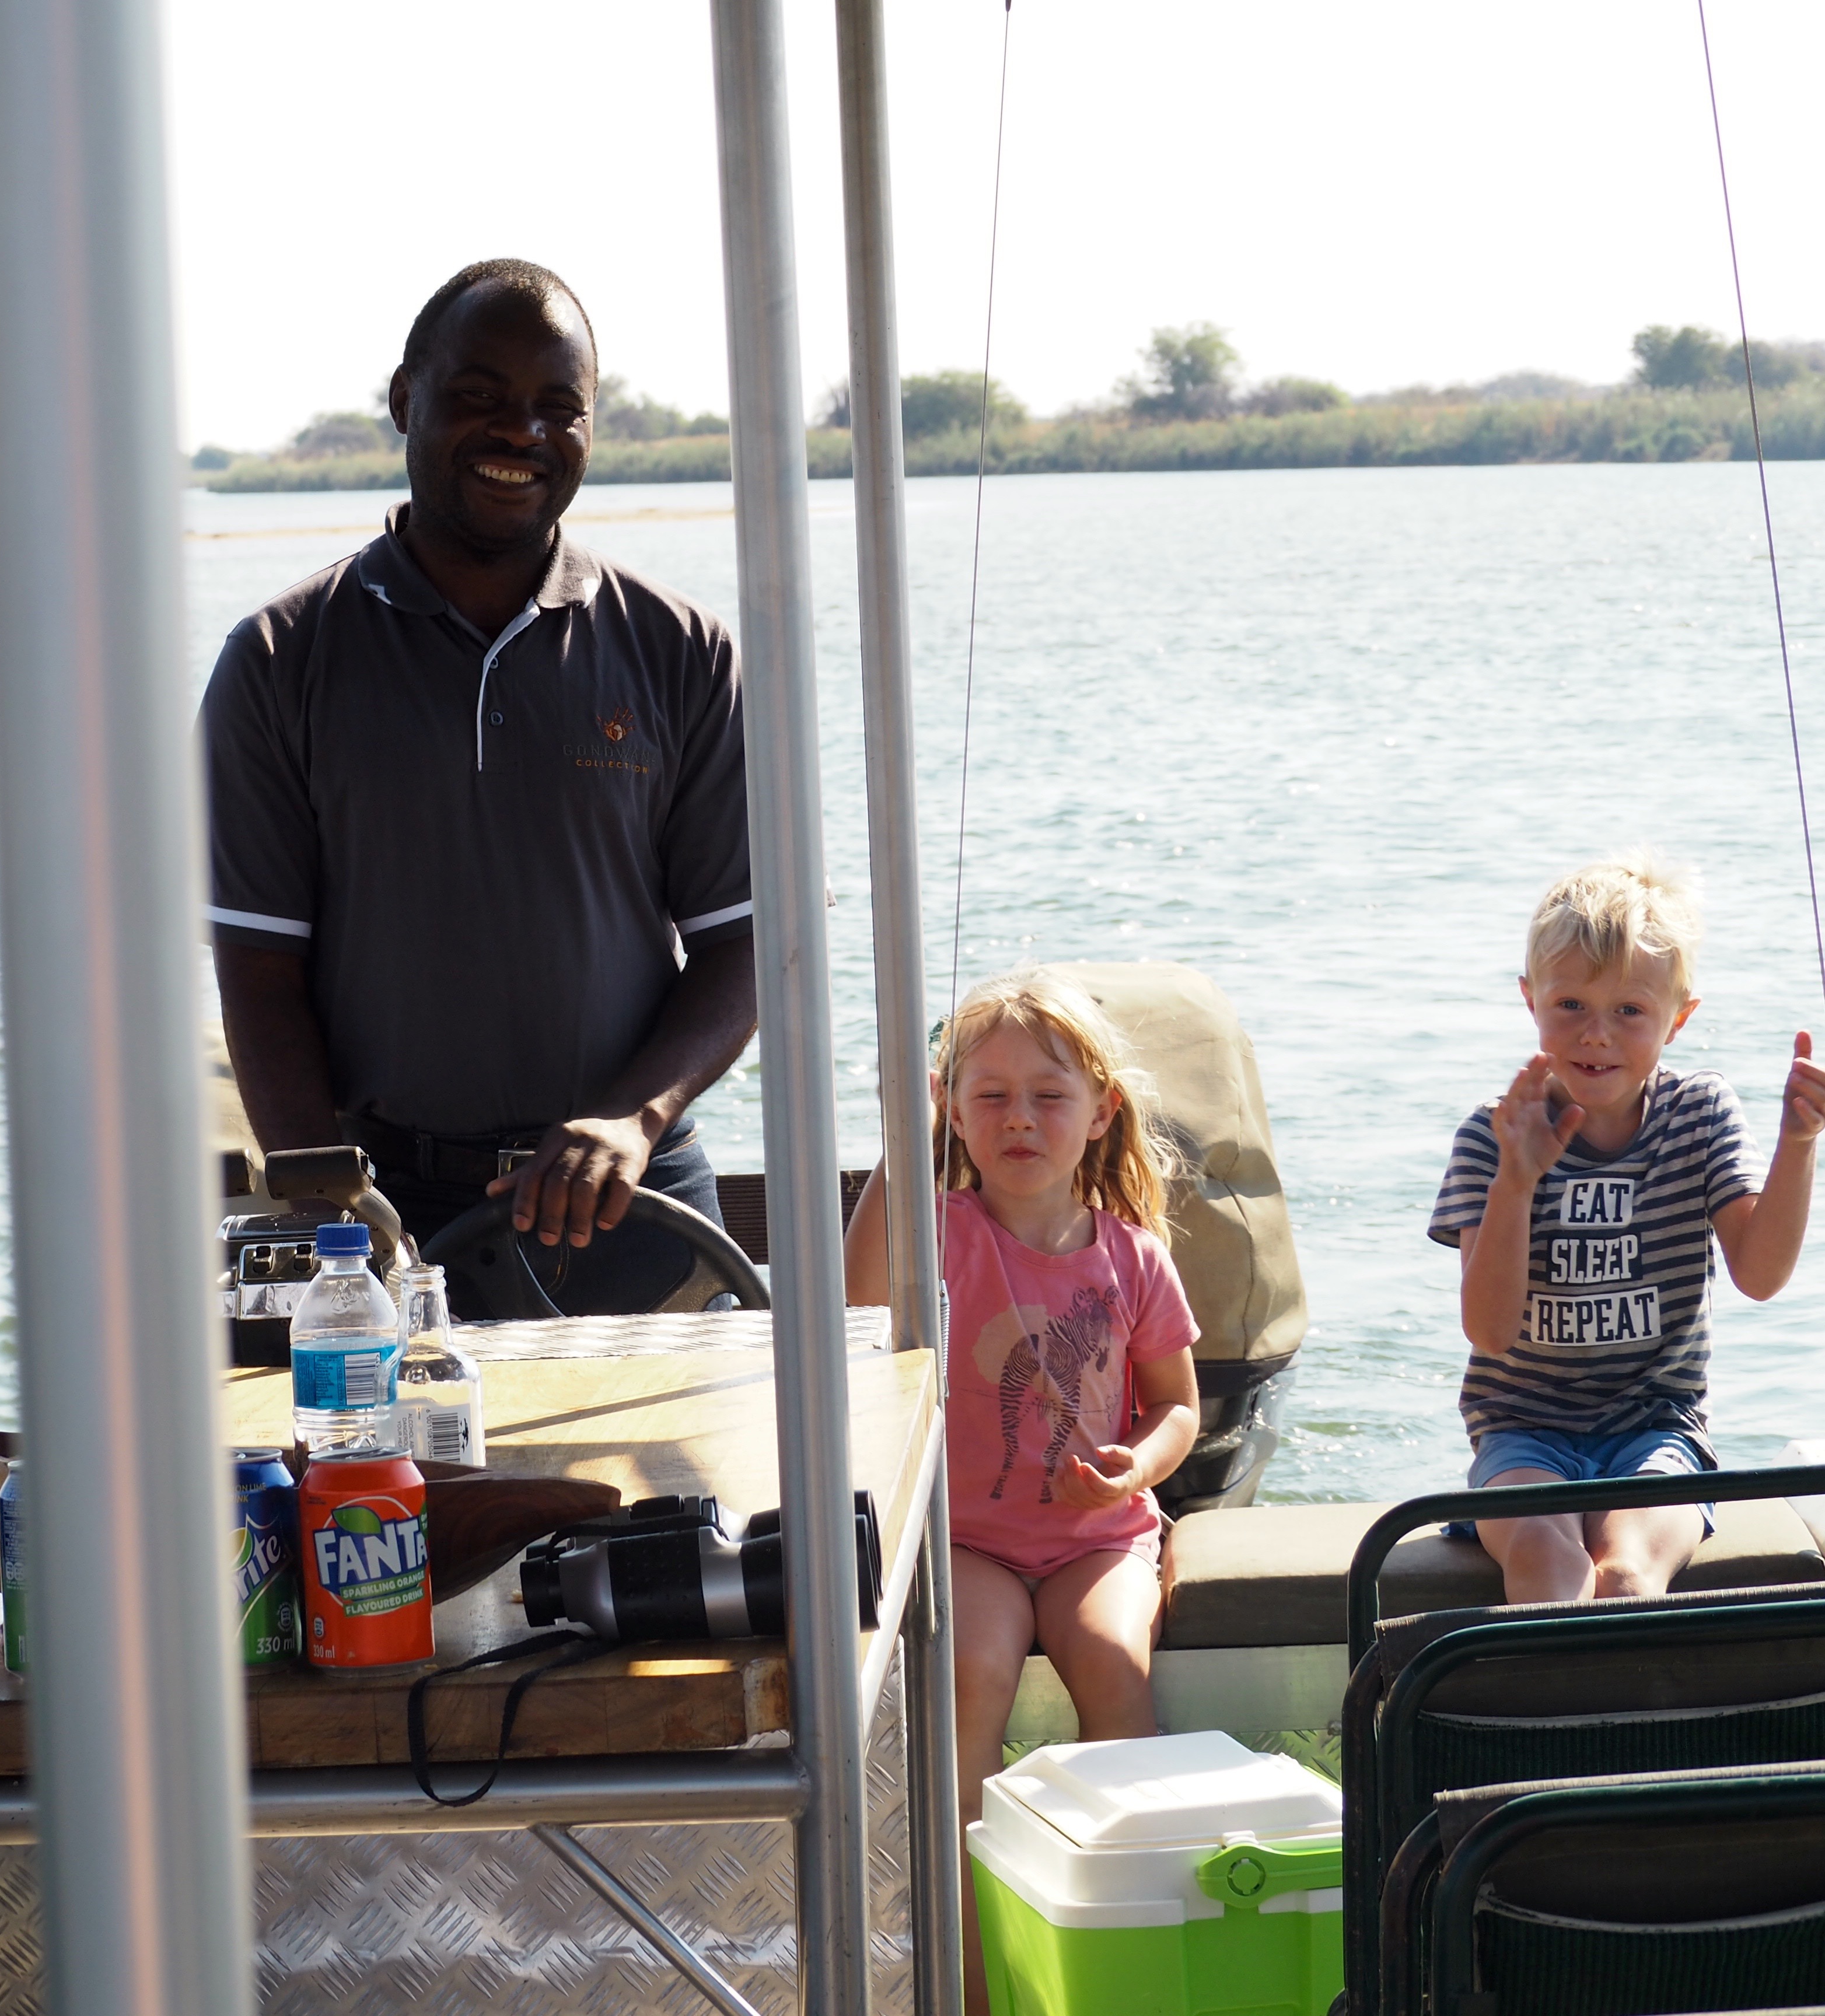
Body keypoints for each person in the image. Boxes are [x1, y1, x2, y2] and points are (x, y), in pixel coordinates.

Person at [199, 257, 757, 1313]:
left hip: (634, 1206)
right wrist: (331, 1199)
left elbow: (744, 945)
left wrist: (630, 1122)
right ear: (405, 399)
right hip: (384, 1216)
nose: (520, 434)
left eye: (559, 408)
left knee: (701, 1485)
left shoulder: (682, 652)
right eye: (478, 398)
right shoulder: (278, 659)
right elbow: (259, 971)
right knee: (394, 1488)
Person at [845, 971, 1198, 2013]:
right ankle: (974, 1982)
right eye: (987, 1095)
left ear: (1100, 1114)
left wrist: (1137, 1464)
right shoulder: (937, 1228)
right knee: (970, 1674)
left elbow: (1178, 1408)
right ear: (952, 1111)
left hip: (1100, 1538)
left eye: (1048, 1095)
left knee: (1110, 1662)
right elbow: (863, 1292)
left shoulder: (1132, 1257)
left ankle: (1125, 1957)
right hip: (972, 1539)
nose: (1018, 1119)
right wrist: (900, 1150)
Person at [1430, 856, 1825, 1604]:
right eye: (1571, 1004)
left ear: (1680, 1017)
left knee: (1626, 1571)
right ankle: (1549, 1721)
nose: (1597, 1035)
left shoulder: (1700, 1115)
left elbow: (1762, 1275)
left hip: (1659, 1429)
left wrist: (1800, 1142)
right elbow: (1487, 1329)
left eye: (1630, 1011)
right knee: (1549, 1560)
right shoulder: (1495, 1134)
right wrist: (1517, 1181)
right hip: (1521, 1433)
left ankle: (1618, 1722)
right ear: (1530, 1000)